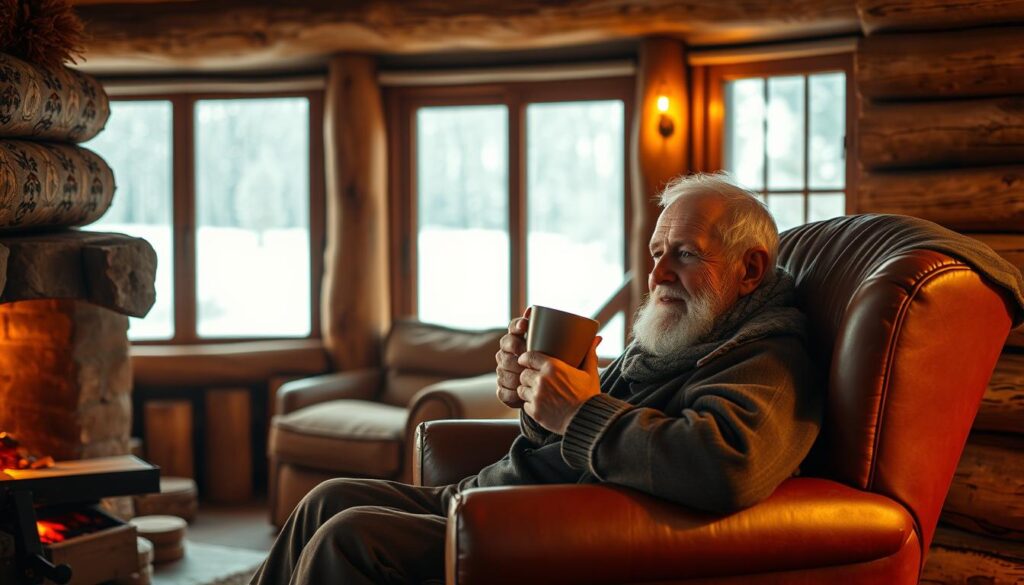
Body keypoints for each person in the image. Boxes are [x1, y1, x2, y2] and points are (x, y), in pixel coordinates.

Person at [250, 172, 823, 585]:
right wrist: (534, 396)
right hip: (499, 496)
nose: (658, 274)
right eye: (655, 253)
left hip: (540, 527)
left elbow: (726, 465)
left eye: (685, 255)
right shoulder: (681, 337)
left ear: (750, 269)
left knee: (350, 535)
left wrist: (576, 412)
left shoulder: (766, 357)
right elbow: (587, 426)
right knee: (327, 499)